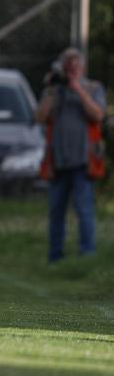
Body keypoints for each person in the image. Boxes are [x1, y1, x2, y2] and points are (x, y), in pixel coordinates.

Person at [36, 47, 106, 263]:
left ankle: (87, 255)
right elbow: (40, 118)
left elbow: (98, 114)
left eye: (76, 66)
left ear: (82, 68)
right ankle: (54, 257)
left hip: (84, 161)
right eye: (68, 66)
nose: (72, 70)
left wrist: (77, 88)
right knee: (56, 212)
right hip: (57, 161)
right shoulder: (54, 91)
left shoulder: (93, 87)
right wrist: (50, 89)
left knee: (84, 210)